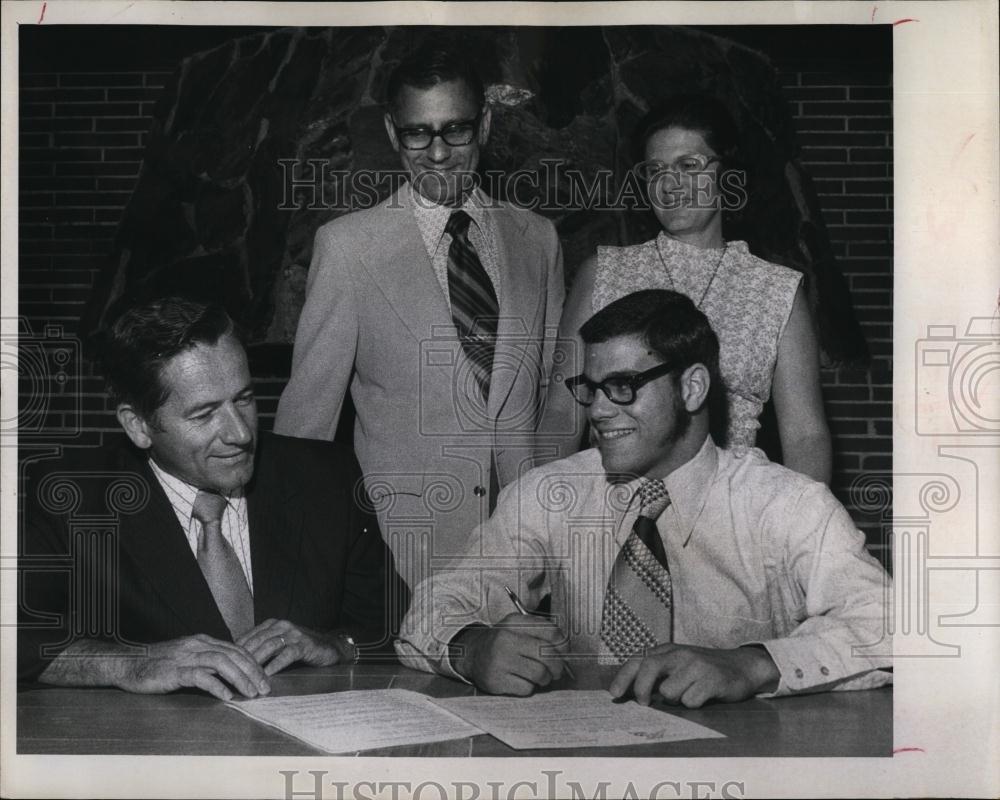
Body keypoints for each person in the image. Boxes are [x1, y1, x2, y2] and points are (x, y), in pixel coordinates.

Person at [397, 290, 890, 706]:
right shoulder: (549, 495)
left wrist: (754, 663)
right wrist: (471, 647)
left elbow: (893, 629)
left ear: (692, 387)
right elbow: (437, 601)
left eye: (623, 386)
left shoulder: (789, 506)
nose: (598, 411)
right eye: (590, 388)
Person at [274, 42, 564, 590]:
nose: (437, 154)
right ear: (391, 132)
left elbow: (548, 400)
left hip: (526, 556)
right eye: (417, 133)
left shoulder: (539, 240)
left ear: (485, 124)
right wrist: (298, 568)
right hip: (401, 555)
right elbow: (303, 435)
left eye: (456, 129)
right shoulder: (347, 248)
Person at [18, 297, 407, 701]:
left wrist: (338, 645)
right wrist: (130, 662)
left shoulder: (326, 477)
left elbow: (397, 624)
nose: (240, 433)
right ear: (138, 426)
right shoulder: (75, 499)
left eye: (243, 399)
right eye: (204, 414)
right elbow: (15, 633)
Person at [538, 94, 832, 483]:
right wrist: (540, 508)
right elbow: (561, 412)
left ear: (727, 175)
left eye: (689, 165)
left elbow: (805, 435)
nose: (670, 184)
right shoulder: (602, 273)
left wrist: (802, 532)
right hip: (614, 497)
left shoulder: (776, 290)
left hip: (731, 507)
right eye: (656, 170)